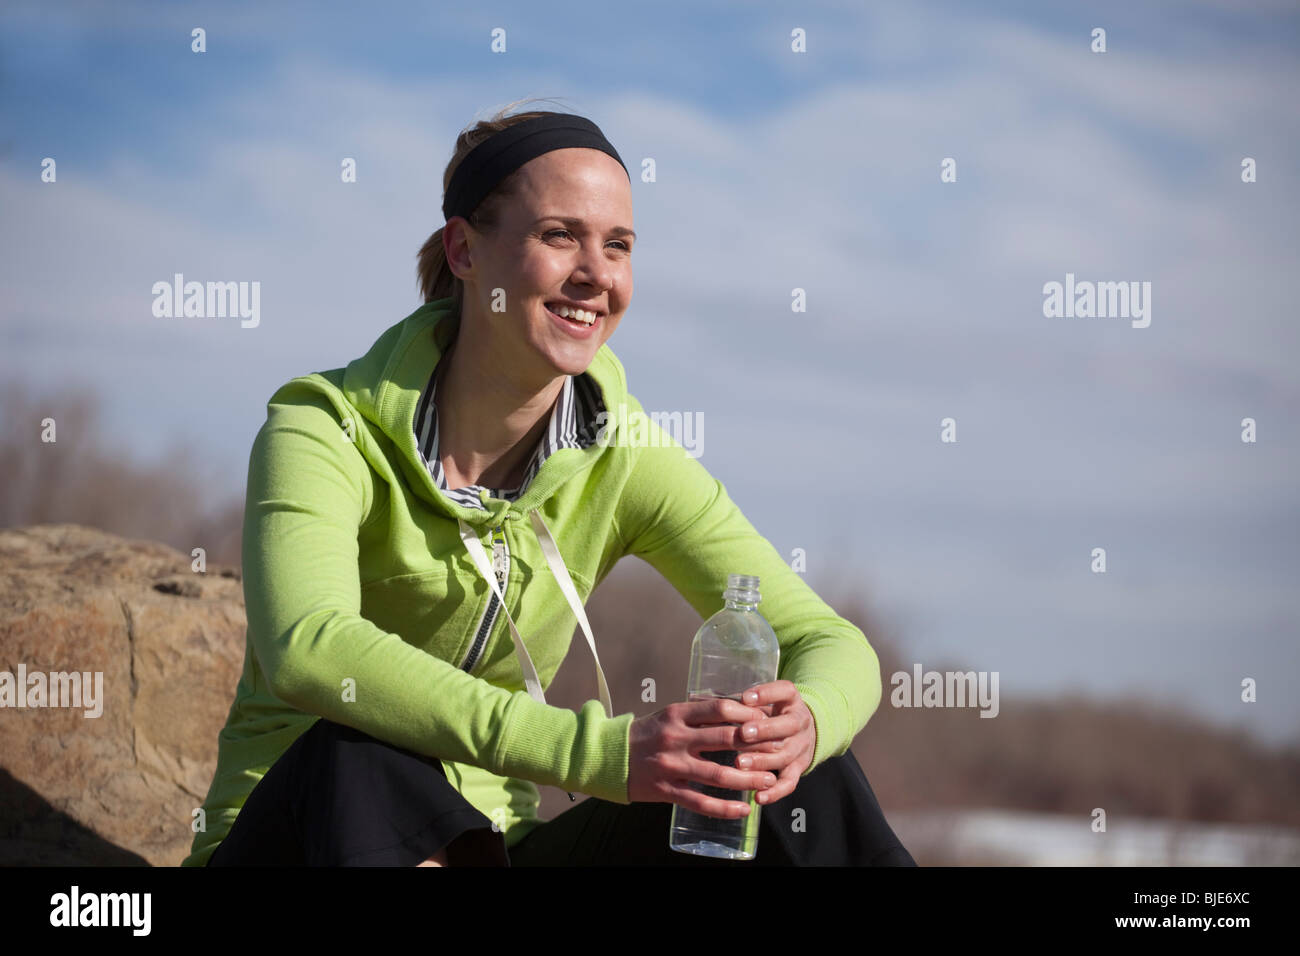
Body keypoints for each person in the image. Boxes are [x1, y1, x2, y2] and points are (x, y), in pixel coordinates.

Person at [182, 98, 914, 867]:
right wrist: (600, 755)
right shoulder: (324, 427)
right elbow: (311, 648)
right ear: (463, 251)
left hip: (503, 851)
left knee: (780, 775)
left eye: (619, 245)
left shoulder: (621, 454)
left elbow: (827, 641)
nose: (596, 274)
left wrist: (803, 725)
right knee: (363, 743)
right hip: (301, 840)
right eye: (559, 235)